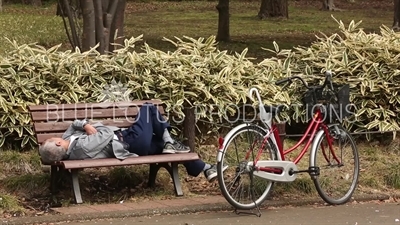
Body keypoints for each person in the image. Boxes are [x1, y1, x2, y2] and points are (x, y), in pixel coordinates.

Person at [39, 103, 227, 182]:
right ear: (57, 145)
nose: (55, 137)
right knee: (148, 108)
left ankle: (205, 168)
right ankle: (169, 141)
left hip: (130, 141)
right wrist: (92, 126)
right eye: (51, 139)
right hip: (130, 142)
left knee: (165, 147)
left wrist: (86, 124)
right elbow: (104, 132)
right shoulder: (80, 148)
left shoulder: (68, 141)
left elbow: (74, 124)